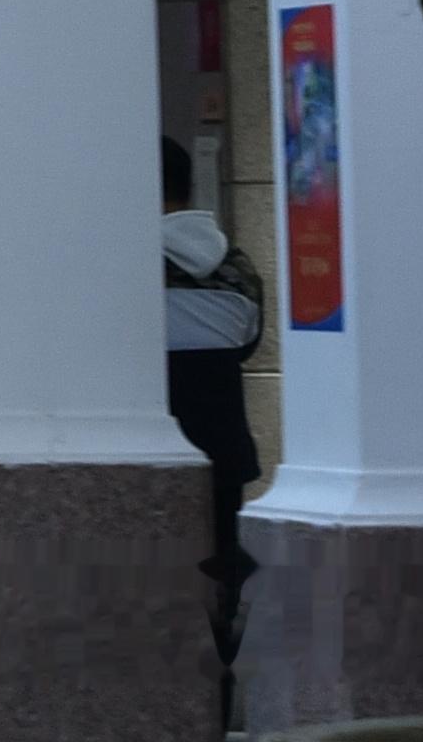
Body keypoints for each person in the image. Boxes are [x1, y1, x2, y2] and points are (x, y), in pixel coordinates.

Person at [166, 139, 265, 652]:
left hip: (158, 448)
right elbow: (249, 343)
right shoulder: (240, 268)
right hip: (223, 447)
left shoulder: (124, 270)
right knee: (219, 571)